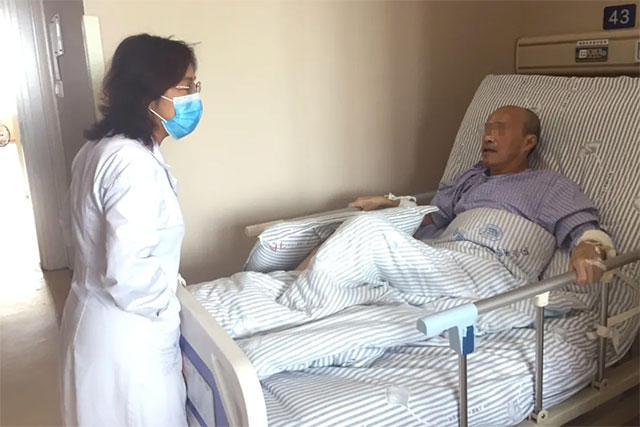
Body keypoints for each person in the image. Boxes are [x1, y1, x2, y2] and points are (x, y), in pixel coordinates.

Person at [59, 34, 202, 426]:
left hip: (97, 323)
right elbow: (128, 274)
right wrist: (169, 309)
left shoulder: (101, 149)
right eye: (186, 87)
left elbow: (69, 227)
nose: (194, 97)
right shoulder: (130, 163)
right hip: (128, 339)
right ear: (148, 94)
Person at [347, 106, 613, 285]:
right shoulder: (471, 178)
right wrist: (392, 204)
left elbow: (585, 232)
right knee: (362, 228)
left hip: (488, 271)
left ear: (528, 142)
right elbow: (435, 217)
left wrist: (589, 249)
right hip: (444, 258)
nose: (488, 138)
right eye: (487, 130)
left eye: (501, 130)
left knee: (365, 233)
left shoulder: (548, 185)